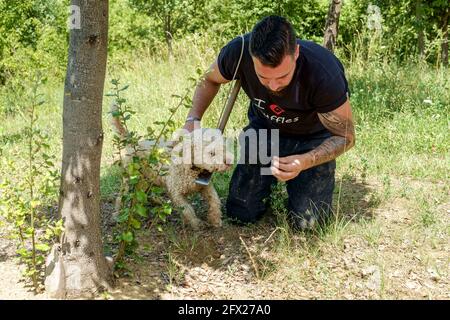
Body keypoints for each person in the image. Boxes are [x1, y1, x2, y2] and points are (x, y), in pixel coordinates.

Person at [183, 15, 355, 230]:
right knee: (241, 214)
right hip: (264, 130)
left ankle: (298, 188)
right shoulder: (239, 52)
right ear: (252, 58)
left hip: (312, 138)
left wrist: (304, 161)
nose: (273, 86)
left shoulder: (323, 72)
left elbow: (346, 137)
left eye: (282, 77)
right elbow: (209, 79)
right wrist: (193, 118)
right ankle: (264, 186)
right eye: (264, 78)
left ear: (296, 54)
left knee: (310, 224)